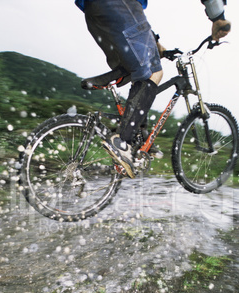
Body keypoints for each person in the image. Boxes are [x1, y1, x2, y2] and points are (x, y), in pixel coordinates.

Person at [75, 0, 231, 178]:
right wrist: (218, 17)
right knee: (153, 73)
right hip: (120, 4)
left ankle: (138, 135)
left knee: (137, 72)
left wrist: (156, 43)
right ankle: (122, 142)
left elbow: (134, 23)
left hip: (93, 11)